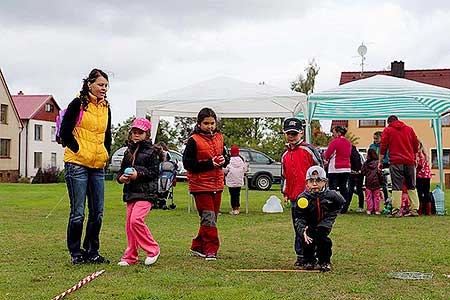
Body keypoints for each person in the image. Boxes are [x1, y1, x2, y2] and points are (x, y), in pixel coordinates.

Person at [60, 68, 111, 264]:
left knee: (97, 212)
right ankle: (76, 253)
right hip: (77, 163)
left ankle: (92, 251)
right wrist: (79, 150)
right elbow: (65, 132)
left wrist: (105, 153)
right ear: (89, 84)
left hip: (97, 165)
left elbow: (107, 135)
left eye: (106, 85)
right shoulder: (78, 104)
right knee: (78, 212)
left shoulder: (106, 107)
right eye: (100, 84)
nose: (103, 88)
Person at [116, 118, 165, 266]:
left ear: (147, 134)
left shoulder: (153, 152)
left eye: (140, 132)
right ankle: (131, 256)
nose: (137, 135)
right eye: (134, 132)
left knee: (135, 220)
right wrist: (121, 178)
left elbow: (154, 172)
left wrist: (138, 174)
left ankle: (153, 249)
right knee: (129, 226)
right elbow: (120, 171)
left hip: (146, 194)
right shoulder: (128, 152)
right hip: (131, 193)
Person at [182, 107, 229, 261]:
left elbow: (224, 155)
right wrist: (210, 163)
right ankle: (211, 249)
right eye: (206, 123)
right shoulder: (193, 140)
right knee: (208, 217)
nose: (210, 126)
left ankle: (197, 245)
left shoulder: (220, 137)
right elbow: (188, 164)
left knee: (211, 218)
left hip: (217, 184)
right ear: (199, 123)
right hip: (200, 185)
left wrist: (224, 160)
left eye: (212, 123)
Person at [281, 117, 322, 268]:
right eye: (288, 133)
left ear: (301, 133)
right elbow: (285, 176)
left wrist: (319, 190)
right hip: (295, 198)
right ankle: (300, 255)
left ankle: (314, 255)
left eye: (294, 133)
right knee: (298, 227)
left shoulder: (309, 150)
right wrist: (285, 193)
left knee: (312, 227)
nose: (291, 136)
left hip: (311, 196)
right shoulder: (285, 155)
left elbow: (320, 170)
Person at [294, 166, 345, 272]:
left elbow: (340, 203)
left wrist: (329, 218)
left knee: (322, 239)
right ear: (306, 183)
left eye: (318, 180)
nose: (314, 184)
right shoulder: (302, 198)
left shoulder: (331, 195)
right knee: (308, 239)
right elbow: (299, 217)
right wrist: (302, 230)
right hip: (309, 223)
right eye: (311, 181)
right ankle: (308, 261)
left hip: (324, 223)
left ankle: (324, 261)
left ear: (325, 182)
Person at [380, 115, 420, 217]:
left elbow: (383, 146)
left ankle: (396, 211)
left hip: (396, 162)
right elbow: (415, 144)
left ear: (389, 122)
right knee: (412, 185)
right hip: (409, 161)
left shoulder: (388, 130)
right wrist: (415, 157)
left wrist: (380, 161)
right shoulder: (409, 129)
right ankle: (414, 209)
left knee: (396, 186)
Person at [324, 126, 352, 213]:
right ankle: (345, 206)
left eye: (334, 132)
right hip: (346, 168)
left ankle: (333, 206)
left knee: (333, 188)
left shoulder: (335, 142)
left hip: (335, 168)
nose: (333, 134)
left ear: (339, 132)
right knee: (344, 188)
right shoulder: (348, 143)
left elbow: (328, 154)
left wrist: (326, 159)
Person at [224, 145, 248, 215]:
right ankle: (237, 208)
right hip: (239, 180)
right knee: (237, 194)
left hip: (231, 181)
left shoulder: (229, 160)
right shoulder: (241, 160)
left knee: (232, 195)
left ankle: (234, 209)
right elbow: (245, 169)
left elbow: (226, 170)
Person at [361, 149, 384, 215]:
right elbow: (380, 172)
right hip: (377, 182)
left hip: (368, 182)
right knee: (376, 197)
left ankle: (369, 209)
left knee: (368, 197)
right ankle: (377, 210)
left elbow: (363, 172)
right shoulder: (378, 163)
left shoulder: (366, 163)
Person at [369, 131, 390, 202]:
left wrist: (381, 162)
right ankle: (372, 202)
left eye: (377, 138)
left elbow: (387, 158)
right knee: (373, 185)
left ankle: (386, 200)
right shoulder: (372, 146)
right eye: (374, 138)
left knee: (384, 185)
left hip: (382, 167)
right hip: (373, 168)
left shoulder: (385, 146)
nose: (375, 140)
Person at [416, 141, 433, 215]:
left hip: (420, 176)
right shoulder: (425, 154)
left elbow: (419, 165)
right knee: (426, 192)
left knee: (419, 193)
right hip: (427, 176)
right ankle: (428, 211)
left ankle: (420, 210)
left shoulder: (418, 154)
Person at [348, 145, 365, 213]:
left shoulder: (350, 154)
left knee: (351, 190)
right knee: (359, 190)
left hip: (353, 173)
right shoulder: (358, 154)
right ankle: (361, 206)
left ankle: (347, 205)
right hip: (359, 173)